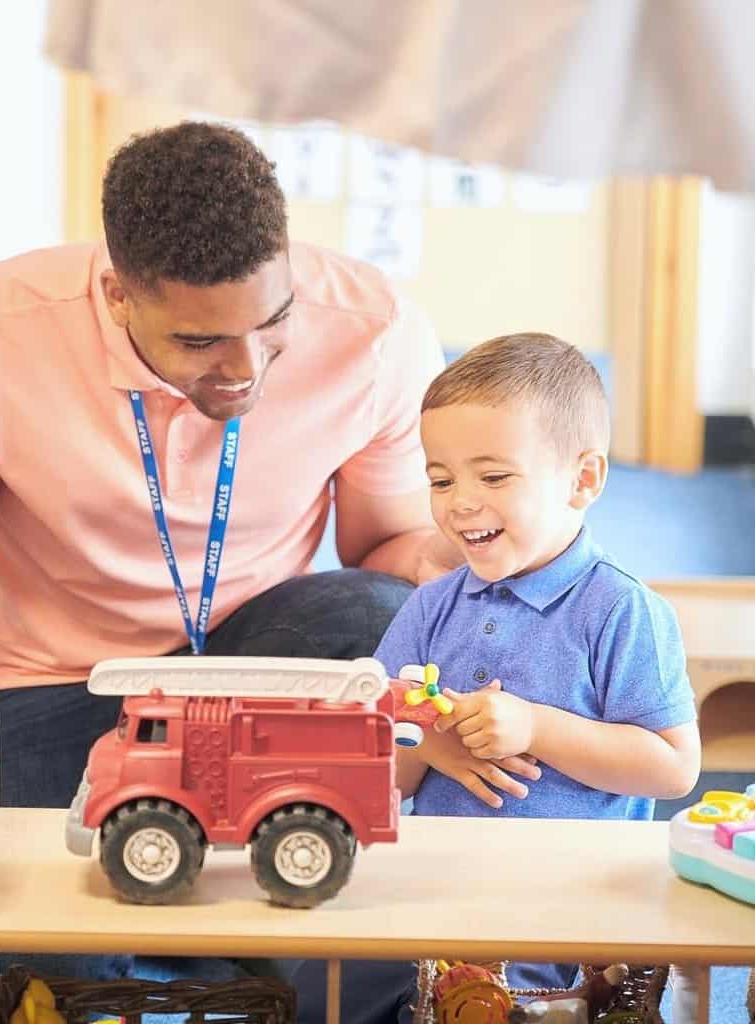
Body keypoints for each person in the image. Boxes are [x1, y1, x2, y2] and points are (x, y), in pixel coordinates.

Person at [0, 122, 544, 959]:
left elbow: (385, 546)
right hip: (53, 681)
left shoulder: (375, 331)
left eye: (274, 320)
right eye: (200, 341)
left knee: (385, 615)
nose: (246, 368)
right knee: (26, 958)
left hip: (256, 664)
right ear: (116, 294)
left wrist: (481, 565)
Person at [288, 332, 702, 1023]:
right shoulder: (430, 604)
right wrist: (428, 746)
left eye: (494, 476)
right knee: (321, 985)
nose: (459, 503)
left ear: (584, 480)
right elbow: (377, 761)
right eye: (441, 479)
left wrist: (538, 726)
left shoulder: (622, 610)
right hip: (435, 893)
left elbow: (673, 767)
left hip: (572, 908)